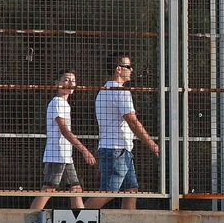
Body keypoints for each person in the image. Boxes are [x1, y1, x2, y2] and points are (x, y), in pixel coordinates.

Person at [87, 53, 159, 210]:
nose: (131, 70)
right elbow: (132, 121)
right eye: (128, 67)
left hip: (118, 149)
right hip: (116, 150)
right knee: (108, 192)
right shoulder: (121, 92)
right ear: (118, 69)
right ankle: (74, 219)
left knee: (130, 190)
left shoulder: (102, 92)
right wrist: (152, 145)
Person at [30, 69, 95, 211]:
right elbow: (65, 131)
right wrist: (84, 151)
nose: (70, 83)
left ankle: (80, 221)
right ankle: (30, 219)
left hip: (65, 155)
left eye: (73, 80)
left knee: (75, 189)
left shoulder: (64, 104)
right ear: (57, 83)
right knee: (49, 189)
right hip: (57, 154)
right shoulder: (57, 103)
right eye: (66, 80)